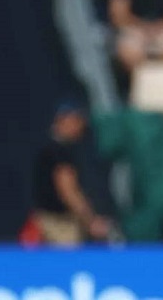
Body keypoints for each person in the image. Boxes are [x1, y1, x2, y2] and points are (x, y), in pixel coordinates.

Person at [32, 102, 111, 245]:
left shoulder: (52, 148)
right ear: (64, 120)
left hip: (51, 222)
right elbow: (68, 190)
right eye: (77, 120)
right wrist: (90, 220)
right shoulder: (59, 152)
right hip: (59, 225)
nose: (81, 126)